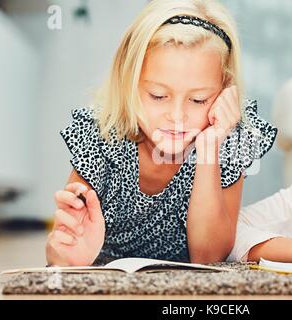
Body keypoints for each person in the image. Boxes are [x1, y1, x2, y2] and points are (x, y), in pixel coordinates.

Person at [45, 0, 277, 267]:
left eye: (199, 100)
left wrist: (209, 148)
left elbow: (209, 258)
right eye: (158, 96)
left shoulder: (230, 138)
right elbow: (63, 249)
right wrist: (62, 256)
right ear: (128, 81)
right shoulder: (102, 135)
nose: (177, 117)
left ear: (225, 91)